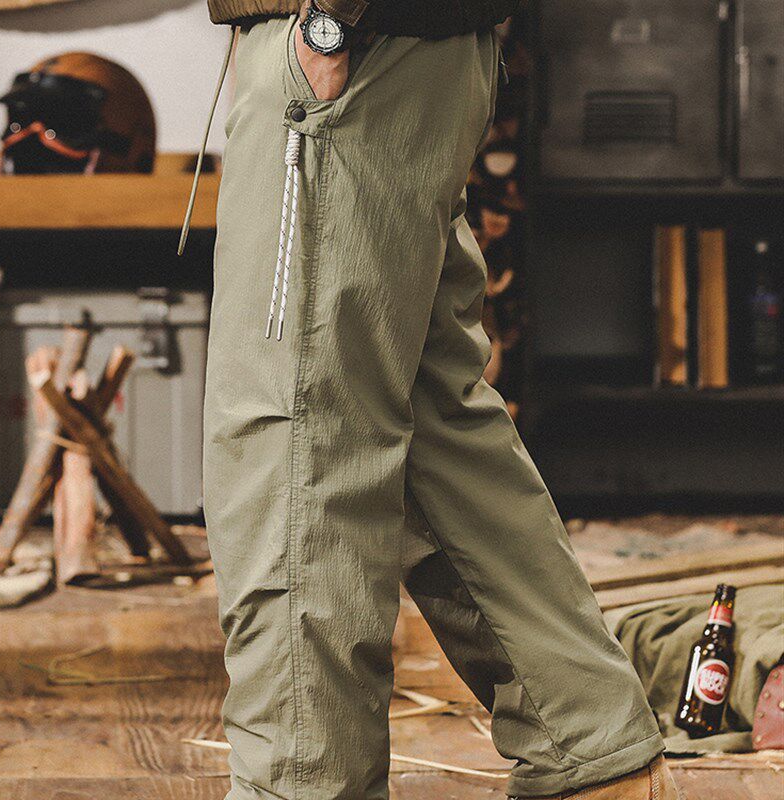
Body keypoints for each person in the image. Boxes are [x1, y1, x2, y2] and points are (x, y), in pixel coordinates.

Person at [190, 1, 681, 798]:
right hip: (399, 55)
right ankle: (592, 753)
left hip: (350, 52)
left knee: (296, 433)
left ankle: (304, 782)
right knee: (430, 428)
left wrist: (329, 23)